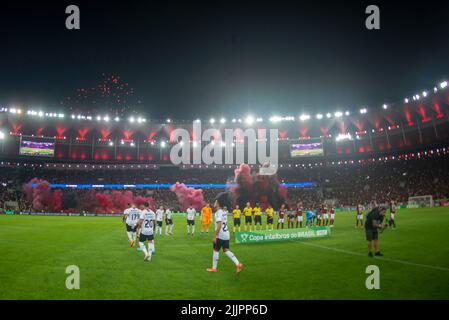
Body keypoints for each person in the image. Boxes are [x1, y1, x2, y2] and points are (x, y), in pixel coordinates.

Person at [206, 192, 243, 273]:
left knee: (216, 250)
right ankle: (238, 264)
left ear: (218, 203)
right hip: (226, 234)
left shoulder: (218, 213)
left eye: (215, 201)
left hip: (221, 235)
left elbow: (219, 225)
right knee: (226, 250)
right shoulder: (223, 212)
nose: (214, 203)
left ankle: (214, 268)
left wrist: (215, 235)